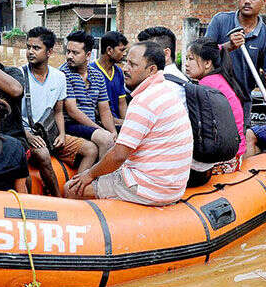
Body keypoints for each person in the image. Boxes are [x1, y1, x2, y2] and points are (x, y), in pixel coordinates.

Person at [65, 41, 193, 206]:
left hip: (150, 186)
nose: (125, 68)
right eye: (126, 62)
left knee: (71, 188)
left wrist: (89, 175)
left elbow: (119, 155)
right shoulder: (166, 91)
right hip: (172, 185)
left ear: (151, 70)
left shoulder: (144, 100)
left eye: (132, 64)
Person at [22, 26, 97, 196]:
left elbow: (58, 111)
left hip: (50, 132)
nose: (30, 52)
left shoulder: (58, 77)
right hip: (27, 134)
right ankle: (59, 199)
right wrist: (29, 136)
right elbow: (11, 116)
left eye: (36, 48)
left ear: (49, 52)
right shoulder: (19, 75)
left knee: (91, 150)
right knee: (42, 154)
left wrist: (62, 134)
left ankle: (74, 190)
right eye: (28, 47)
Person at [204, 0, 266, 129]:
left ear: (263, 1)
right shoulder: (220, 21)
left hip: (241, 102)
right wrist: (228, 46)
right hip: (212, 97)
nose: (247, 1)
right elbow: (202, 54)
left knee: (238, 145)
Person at [184, 38, 248, 185]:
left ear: (207, 63)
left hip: (225, 158)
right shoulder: (218, 79)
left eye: (191, 59)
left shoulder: (207, 86)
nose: (186, 64)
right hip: (235, 153)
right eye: (186, 59)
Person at [60, 30, 117, 159]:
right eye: (68, 51)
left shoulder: (97, 75)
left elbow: (104, 110)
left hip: (91, 125)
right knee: (105, 139)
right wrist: (100, 130)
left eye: (75, 53)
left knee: (119, 135)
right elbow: (72, 110)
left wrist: (112, 131)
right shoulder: (63, 74)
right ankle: (101, 178)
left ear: (88, 55)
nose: (69, 56)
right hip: (70, 125)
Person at [95, 31, 130, 124]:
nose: (124, 54)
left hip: (117, 122)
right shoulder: (91, 72)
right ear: (109, 50)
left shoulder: (118, 72)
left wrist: (126, 122)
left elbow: (122, 102)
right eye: (121, 50)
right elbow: (96, 112)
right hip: (101, 123)